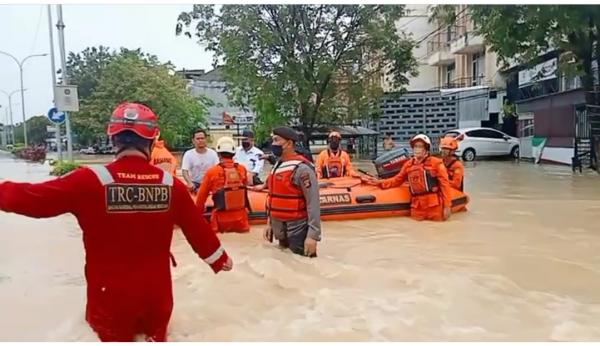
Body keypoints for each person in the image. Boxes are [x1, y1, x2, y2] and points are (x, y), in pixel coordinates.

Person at [0, 102, 232, 341]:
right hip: (157, 298)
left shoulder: (89, 181)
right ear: (152, 142)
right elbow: (197, 229)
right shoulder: (171, 185)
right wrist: (220, 258)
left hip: (109, 299)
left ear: (113, 140)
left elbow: (33, 199)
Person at [365, 134, 452, 222]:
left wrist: (447, 206)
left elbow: (445, 185)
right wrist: (379, 182)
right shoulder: (408, 165)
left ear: (426, 149)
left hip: (434, 205)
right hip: (417, 206)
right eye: (415, 146)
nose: (417, 149)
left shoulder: (436, 163)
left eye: (420, 146)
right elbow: (396, 180)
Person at [262, 126, 321, 257]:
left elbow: (313, 203)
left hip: (297, 229)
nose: (273, 144)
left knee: (303, 267)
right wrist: (269, 224)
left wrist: (313, 236)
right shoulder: (277, 166)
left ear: (289, 143)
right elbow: (272, 197)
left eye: (277, 140)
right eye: (273, 140)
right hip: (280, 228)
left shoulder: (302, 169)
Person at [196, 136, 250, 233]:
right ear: (234, 153)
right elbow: (244, 189)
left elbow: (201, 197)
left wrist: (197, 216)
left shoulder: (212, 172)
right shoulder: (242, 169)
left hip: (219, 221)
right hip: (241, 221)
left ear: (218, 154)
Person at [181, 128, 219, 194]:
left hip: (210, 184)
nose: (200, 140)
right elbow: (184, 171)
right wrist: (189, 183)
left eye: (202, 138)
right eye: (198, 139)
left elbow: (218, 169)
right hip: (195, 184)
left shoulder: (213, 153)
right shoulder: (188, 154)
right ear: (193, 140)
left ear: (206, 139)